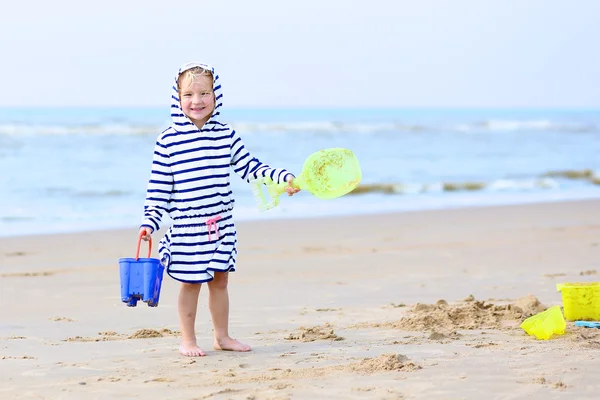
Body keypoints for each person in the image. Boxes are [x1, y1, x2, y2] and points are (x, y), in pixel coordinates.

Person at [138, 62, 299, 357]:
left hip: (221, 225)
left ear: (216, 96)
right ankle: (187, 340)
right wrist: (150, 221)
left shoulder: (225, 135)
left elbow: (251, 167)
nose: (196, 101)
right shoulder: (168, 140)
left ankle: (222, 337)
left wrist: (282, 178)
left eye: (204, 93)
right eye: (188, 94)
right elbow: (158, 187)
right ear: (177, 98)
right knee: (190, 282)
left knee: (220, 280)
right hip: (187, 226)